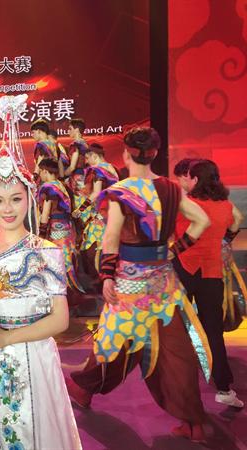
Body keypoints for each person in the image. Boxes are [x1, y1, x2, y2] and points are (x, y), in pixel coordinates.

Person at [66, 127, 212, 443]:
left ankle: (83, 389)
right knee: (176, 351)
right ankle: (193, 421)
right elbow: (202, 220)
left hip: (129, 285)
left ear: (126, 154)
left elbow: (110, 239)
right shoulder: (172, 189)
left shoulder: (120, 192)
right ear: (155, 154)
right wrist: (175, 248)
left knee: (113, 342)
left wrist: (106, 276)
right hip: (163, 285)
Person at [0, 95, 82, 450]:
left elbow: (60, 320)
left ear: (30, 198)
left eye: (16, 198)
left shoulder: (46, 251)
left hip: (35, 355)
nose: (7, 208)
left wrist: (7, 339)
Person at [172, 159, 244, 408]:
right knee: (213, 330)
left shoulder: (187, 204)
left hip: (183, 268)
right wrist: (225, 240)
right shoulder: (225, 204)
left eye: (188, 176)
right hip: (211, 272)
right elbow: (237, 219)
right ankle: (224, 388)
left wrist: (171, 252)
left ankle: (180, 385)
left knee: (179, 328)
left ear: (195, 179)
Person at [37, 159, 83, 293]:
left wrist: (41, 235)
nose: (40, 175)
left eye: (40, 172)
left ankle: (62, 293)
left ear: (45, 171)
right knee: (67, 261)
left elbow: (45, 214)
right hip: (68, 229)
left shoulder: (48, 187)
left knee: (55, 262)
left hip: (55, 231)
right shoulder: (62, 185)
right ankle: (71, 292)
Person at [78, 143, 119, 284]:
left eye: (88, 158)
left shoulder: (98, 170)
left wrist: (80, 210)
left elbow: (96, 193)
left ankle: (103, 280)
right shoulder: (112, 169)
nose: (86, 162)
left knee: (95, 248)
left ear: (94, 156)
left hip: (102, 214)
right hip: (114, 212)